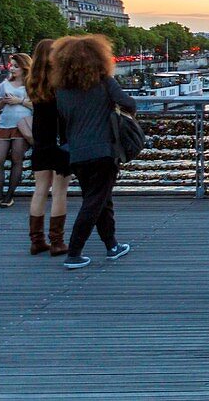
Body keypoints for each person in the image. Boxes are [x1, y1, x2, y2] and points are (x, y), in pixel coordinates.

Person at [51, 35, 136, 270]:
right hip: (103, 151)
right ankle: (74, 252)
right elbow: (128, 103)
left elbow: (63, 122)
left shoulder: (61, 89)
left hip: (77, 153)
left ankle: (112, 245)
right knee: (94, 202)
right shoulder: (104, 82)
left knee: (101, 199)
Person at [26, 39, 72, 256]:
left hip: (41, 139)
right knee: (60, 191)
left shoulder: (33, 82)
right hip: (61, 140)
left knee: (40, 189)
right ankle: (57, 241)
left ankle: (36, 240)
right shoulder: (61, 82)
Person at [0, 53, 33, 209]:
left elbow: (37, 104)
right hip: (4, 124)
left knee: (16, 159)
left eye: (15, 66)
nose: (12, 68)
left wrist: (18, 100)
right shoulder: (4, 84)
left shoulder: (31, 84)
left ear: (24, 68)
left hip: (22, 125)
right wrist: (3, 102)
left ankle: (9, 195)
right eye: (11, 65)